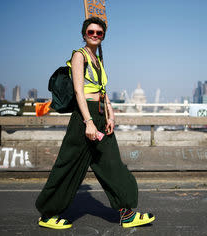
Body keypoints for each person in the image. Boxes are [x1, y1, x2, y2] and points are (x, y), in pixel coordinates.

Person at [35, 17, 155, 229]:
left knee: (112, 164)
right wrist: (88, 122)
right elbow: (79, 91)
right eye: (91, 32)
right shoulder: (79, 56)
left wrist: (110, 113)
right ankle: (47, 214)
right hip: (85, 115)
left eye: (99, 33)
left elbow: (102, 90)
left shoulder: (98, 59)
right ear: (84, 34)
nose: (95, 35)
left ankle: (126, 214)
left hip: (100, 113)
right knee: (69, 164)